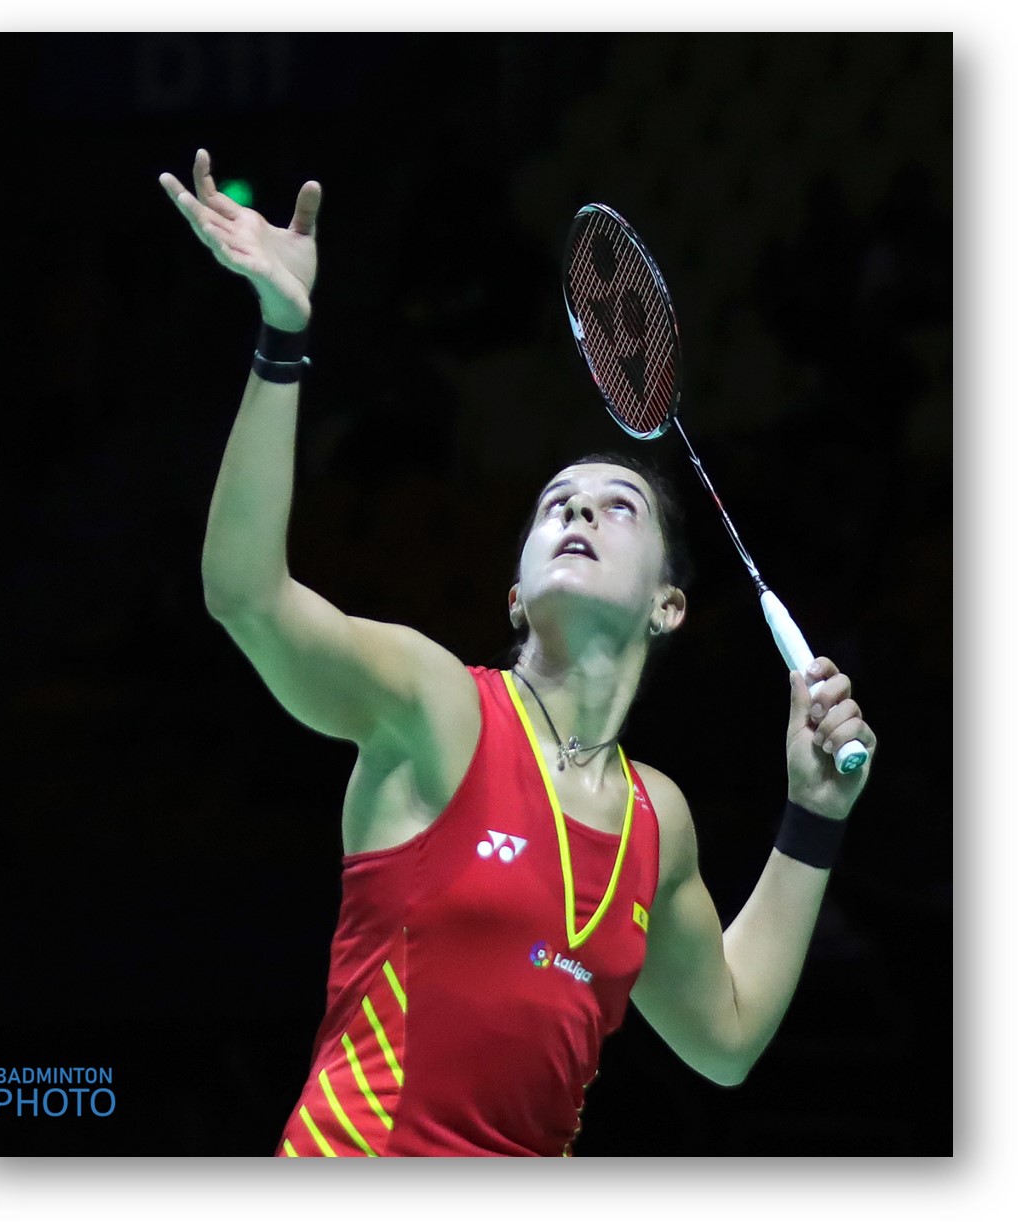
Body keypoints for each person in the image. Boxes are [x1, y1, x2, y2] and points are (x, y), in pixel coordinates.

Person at [159, 149, 877, 1158]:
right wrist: (283, 338)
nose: (580, 507)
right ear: (515, 591)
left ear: (669, 606)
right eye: (555, 506)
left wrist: (815, 814)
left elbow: (726, 1037)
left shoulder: (653, 824)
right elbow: (244, 594)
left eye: (617, 505)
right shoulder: (437, 708)